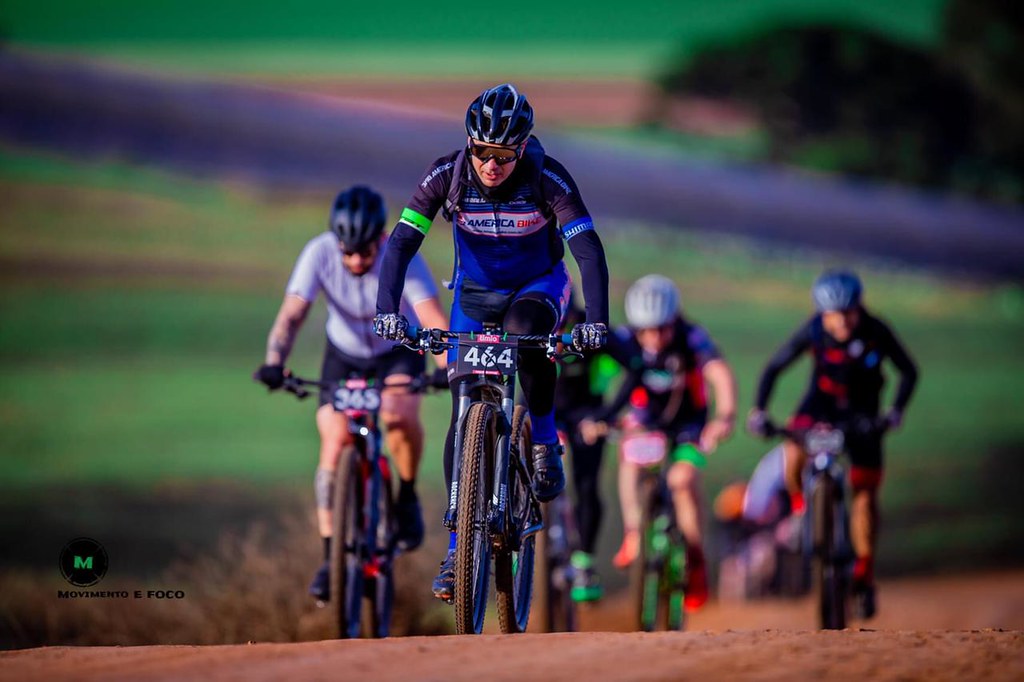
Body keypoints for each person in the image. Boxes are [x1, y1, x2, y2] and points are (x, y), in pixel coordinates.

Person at [372, 83, 610, 602]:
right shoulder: (446, 175)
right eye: (481, 151)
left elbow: (587, 249)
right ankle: (458, 550)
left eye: (503, 154)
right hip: (474, 296)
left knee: (529, 339)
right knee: (462, 412)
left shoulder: (548, 177)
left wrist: (598, 320)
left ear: (522, 148)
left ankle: (544, 443)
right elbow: (401, 244)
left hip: (538, 286)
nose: (490, 164)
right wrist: (387, 311)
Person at [254, 185, 448, 603]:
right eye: (349, 252)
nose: (357, 260)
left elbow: (432, 318)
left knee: (398, 416)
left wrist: (444, 369)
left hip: (397, 353)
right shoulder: (318, 253)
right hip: (343, 355)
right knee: (334, 440)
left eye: (365, 251)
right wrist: (274, 361)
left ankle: (407, 495)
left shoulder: (402, 256)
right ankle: (331, 559)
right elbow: (291, 316)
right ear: (336, 243)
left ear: (381, 238)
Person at [747, 269, 918, 618]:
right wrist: (759, 411)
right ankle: (800, 510)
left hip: (864, 415)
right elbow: (774, 368)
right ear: (821, 314)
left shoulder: (876, 331)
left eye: (847, 313)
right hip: (819, 406)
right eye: (832, 315)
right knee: (792, 446)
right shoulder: (812, 331)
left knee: (865, 495)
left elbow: (908, 371)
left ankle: (864, 571)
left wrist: (894, 412)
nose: (840, 322)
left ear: (859, 309)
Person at [581, 274, 737, 612]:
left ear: (674, 320)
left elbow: (719, 374)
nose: (653, 337)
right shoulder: (625, 340)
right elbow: (603, 374)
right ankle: (635, 531)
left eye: (661, 329)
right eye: (645, 330)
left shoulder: (692, 338)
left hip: (688, 426)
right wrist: (598, 416)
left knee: (681, 481)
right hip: (644, 423)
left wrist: (724, 417)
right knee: (631, 462)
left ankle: (695, 560)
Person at [553, 293, 620, 603]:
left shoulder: (589, 328)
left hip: (587, 414)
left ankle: (585, 563)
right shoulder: (533, 322)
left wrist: (606, 416)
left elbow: (635, 365)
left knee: (587, 485)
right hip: (547, 411)